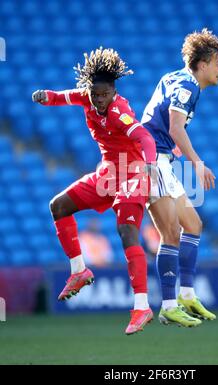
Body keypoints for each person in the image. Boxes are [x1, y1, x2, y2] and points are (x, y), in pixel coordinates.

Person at [32, 47, 157, 335]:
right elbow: (61, 97)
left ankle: (141, 306)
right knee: (58, 206)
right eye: (95, 94)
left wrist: (150, 165)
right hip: (106, 175)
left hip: (133, 173)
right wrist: (45, 96)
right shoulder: (85, 97)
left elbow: (144, 137)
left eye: (104, 95)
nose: (99, 100)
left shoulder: (119, 111)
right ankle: (79, 271)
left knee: (127, 232)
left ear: (113, 92)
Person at [141, 28, 218, 327]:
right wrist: (198, 164)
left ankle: (187, 294)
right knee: (171, 234)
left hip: (159, 157)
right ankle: (167, 305)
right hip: (150, 161)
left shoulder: (173, 78)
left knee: (193, 224)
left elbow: (159, 120)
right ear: (202, 64)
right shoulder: (188, 87)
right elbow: (176, 127)